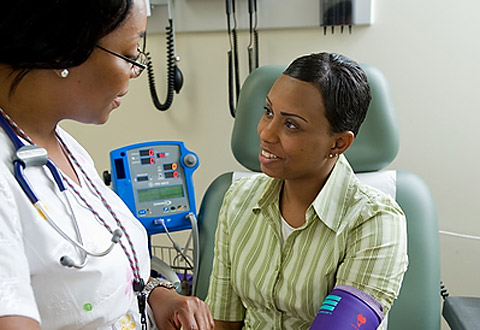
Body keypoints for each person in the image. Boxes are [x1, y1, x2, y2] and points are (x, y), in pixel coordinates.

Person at [0, 1, 213, 329]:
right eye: (130, 54)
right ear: (66, 48)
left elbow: (104, 271)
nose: (135, 70)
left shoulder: (63, 145)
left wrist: (157, 295)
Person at [205, 53, 408, 330]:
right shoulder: (237, 199)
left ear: (338, 143)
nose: (266, 133)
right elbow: (223, 321)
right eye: (268, 112)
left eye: (291, 124)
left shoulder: (375, 221)